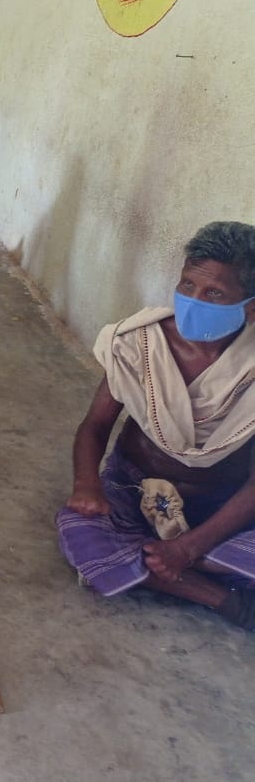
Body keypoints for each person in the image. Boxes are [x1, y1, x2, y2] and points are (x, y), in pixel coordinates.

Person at [56, 222, 255, 631]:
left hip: (225, 507)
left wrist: (189, 546)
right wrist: (86, 485)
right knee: (79, 530)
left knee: (129, 556)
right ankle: (222, 597)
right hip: (134, 491)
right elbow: (95, 426)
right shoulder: (139, 342)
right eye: (187, 285)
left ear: (251, 307)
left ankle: (162, 562)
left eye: (214, 294)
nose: (192, 300)